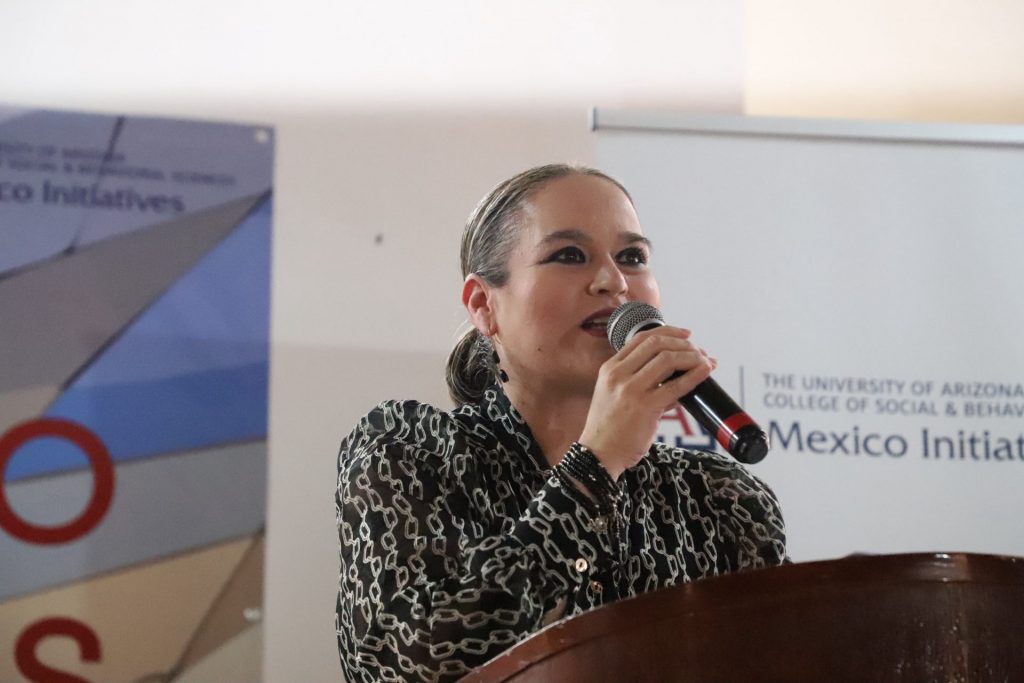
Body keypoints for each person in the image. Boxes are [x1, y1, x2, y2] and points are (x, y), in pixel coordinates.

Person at [336, 164, 787, 683]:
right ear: (484, 305)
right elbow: (412, 661)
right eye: (569, 255)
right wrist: (594, 466)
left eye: (632, 257)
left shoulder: (719, 499)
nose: (614, 281)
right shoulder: (411, 452)